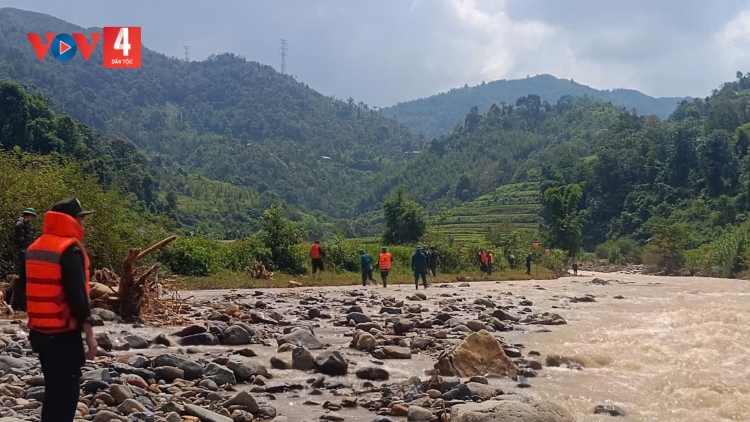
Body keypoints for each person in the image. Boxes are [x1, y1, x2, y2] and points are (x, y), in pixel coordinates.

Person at [26, 198, 97, 422]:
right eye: (81, 219)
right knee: (66, 395)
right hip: (63, 334)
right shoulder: (69, 250)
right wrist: (90, 336)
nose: (83, 224)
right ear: (69, 220)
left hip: (39, 333)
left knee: (53, 391)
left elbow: (22, 287)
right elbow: (78, 297)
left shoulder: (35, 247)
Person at [10, 208, 37, 311]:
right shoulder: (22, 220)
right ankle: (22, 282)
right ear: (28, 215)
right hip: (23, 249)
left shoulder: (27, 223)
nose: (33, 218)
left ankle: (24, 281)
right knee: (24, 265)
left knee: (26, 264)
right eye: (32, 216)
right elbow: (18, 226)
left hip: (26, 248)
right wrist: (21, 236)